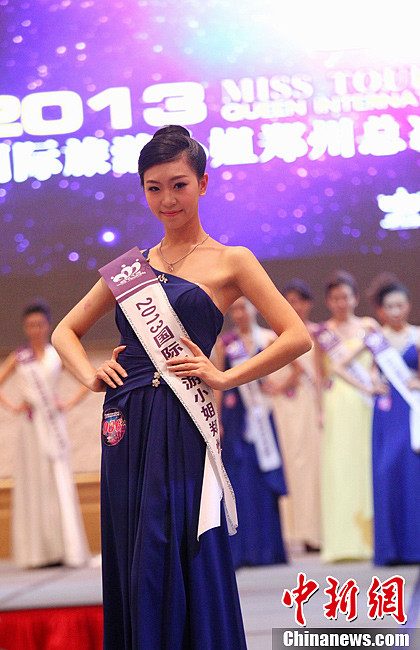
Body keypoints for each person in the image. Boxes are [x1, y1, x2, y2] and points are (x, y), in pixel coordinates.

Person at [51, 125, 312, 650]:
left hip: (183, 419)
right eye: (153, 187)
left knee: (173, 537)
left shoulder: (232, 260)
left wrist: (226, 376)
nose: (166, 199)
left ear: (203, 183)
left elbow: (297, 336)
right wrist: (90, 374)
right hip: (124, 423)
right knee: (134, 543)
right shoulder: (131, 267)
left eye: (178, 185)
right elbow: (65, 332)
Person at [0, 301, 90, 569]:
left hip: (54, 423)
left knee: (58, 478)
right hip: (31, 427)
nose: (35, 329)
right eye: (30, 325)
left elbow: (86, 378)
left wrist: (69, 403)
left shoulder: (56, 355)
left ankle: (67, 549)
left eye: (39, 324)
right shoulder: (20, 356)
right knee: (34, 481)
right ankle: (37, 553)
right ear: (25, 328)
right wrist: (14, 406)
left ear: (48, 325)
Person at [338, 276, 420, 565]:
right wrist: (368, 385)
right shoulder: (375, 339)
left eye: (400, 305)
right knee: (386, 472)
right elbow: (340, 365)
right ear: (382, 311)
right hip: (386, 413)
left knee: (413, 473)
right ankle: (391, 549)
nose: (396, 311)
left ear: (408, 305)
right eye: (390, 307)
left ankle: (414, 547)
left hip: (412, 411)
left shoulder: (417, 336)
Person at [313, 271, 382, 563]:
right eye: (335, 298)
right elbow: (319, 375)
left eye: (346, 296)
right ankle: (343, 543)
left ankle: (373, 540)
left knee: (367, 465)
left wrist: (376, 386)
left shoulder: (369, 326)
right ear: (329, 301)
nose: (341, 303)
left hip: (367, 401)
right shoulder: (323, 334)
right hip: (338, 404)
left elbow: (381, 362)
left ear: (355, 297)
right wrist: (318, 410)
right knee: (340, 471)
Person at [218, 297, 287, 569]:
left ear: (254, 308)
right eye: (233, 309)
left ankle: (267, 550)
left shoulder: (269, 338)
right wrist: (218, 420)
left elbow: (296, 368)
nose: (239, 314)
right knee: (237, 479)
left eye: (243, 307)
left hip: (261, 415)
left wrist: (277, 388)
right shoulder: (226, 344)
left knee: (263, 478)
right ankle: (240, 551)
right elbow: (218, 382)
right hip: (235, 418)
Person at [270, 279, 322, 553]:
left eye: (298, 300)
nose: (294, 306)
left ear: (308, 304)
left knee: (314, 467)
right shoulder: (274, 337)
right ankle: (296, 533)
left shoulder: (319, 334)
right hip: (284, 412)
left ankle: (318, 532)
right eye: (288, 300)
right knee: (292, 467)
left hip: (310, 407)